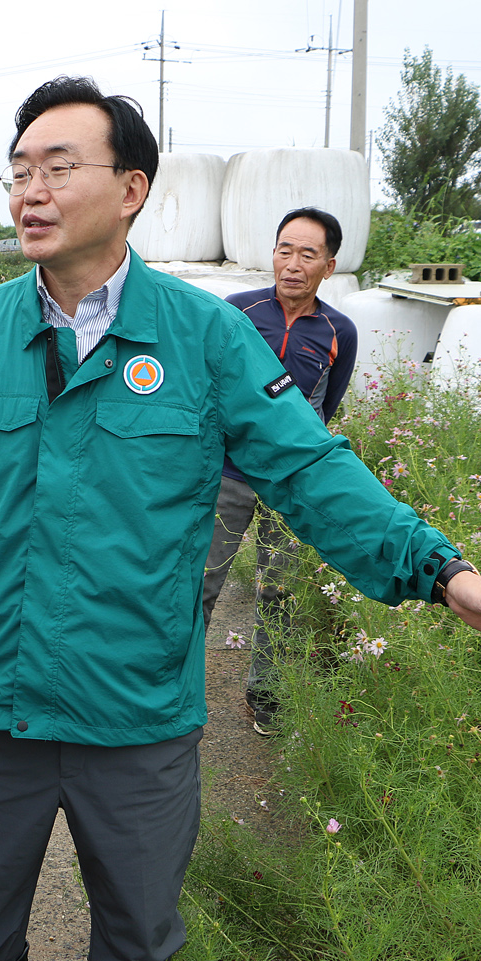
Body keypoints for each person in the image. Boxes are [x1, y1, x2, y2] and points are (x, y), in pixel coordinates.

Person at [0, 76, 481, 961]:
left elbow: (308, 465)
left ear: (133, 189)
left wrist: (443, 572)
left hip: (136, 724)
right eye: (20, 170)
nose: (33, 190)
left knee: (138, 954)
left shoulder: (205, 337)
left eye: (60, 168)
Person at [200, 207, 357, 734]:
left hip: (289, 486)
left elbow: (323, 408)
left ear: (328, 266)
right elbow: (210, 387)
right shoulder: (237, 311)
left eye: (307, 254)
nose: (292, 263)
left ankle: (266, 693)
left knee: (281, 591)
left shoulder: (339, 331)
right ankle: (170, 690)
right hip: (225, 475)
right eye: (284, 249)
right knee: (197, 583)